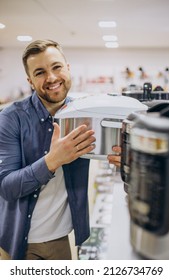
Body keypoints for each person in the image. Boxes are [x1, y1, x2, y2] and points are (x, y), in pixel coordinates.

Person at [0, 39, 121, 260]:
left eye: (56, 67)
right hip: (19, 241)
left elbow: (110, 148)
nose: (52, 78)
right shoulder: (11, 118)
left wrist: (124, 159)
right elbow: (6, 186)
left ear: (68, 68)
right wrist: (52, 161)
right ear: (30, 81)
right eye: (40, 72)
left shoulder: (84, 112)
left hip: (61, 240)